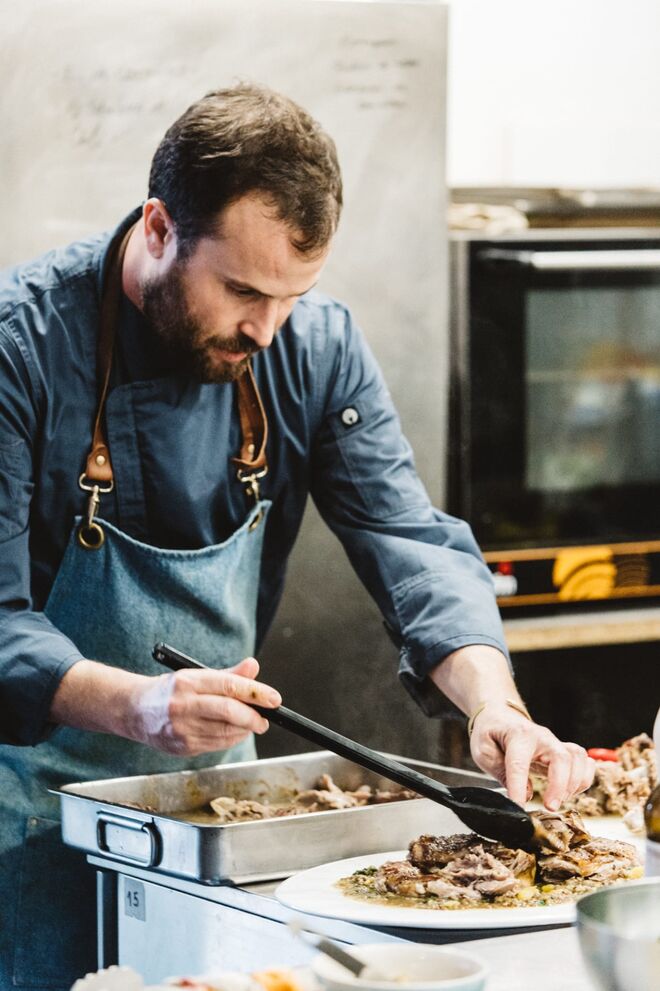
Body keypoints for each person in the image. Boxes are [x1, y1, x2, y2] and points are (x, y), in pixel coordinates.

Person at [0, 83, 594, 990]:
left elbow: (410, 540)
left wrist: (494, 705)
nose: (265, 327)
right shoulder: (21, 347)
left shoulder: (310, 345)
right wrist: (138, 706)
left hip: (210, 822)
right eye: (241, 289)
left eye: (292, 295)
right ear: (159, 227)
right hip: (24, 823)